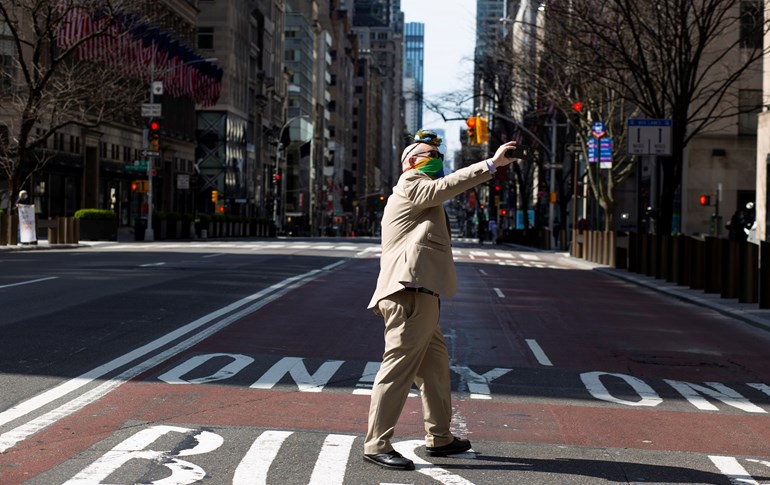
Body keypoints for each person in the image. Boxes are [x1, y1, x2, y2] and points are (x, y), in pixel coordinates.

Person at [363, 129, 520, 471]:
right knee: (397, 370)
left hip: (422, 296)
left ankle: (440, 437)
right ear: (409, 162)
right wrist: (491, 164)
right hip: (409, 295)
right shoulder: (411, 184)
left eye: (437, 154)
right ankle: (377, 443)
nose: (434, 159)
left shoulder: (420, 191)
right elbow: (441, 188)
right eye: (427, 154)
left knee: (435, 370)